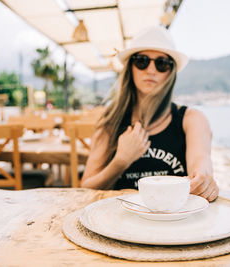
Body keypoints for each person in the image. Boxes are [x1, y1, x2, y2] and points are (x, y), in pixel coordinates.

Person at [81, 26, 218, 202]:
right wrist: (120, 161)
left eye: (161, 63)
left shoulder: (191, 119)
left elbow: (201, 161)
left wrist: (203, 179)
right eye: (142, 61)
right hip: (120, 221)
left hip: (172, 221)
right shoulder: (111, 121)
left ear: (171, 72)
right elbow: (85, 188)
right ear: (130, 67)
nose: (151, 70)